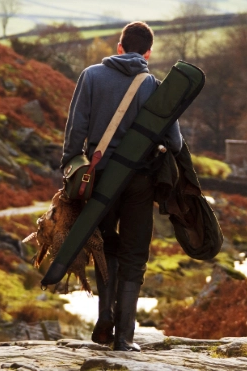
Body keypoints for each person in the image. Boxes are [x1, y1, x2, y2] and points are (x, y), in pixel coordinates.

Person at [60, 21, 182, 352]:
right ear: (148, 53)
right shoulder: (155, 86)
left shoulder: (90, 76)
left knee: (104, 247)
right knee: (134, 254)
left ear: (118, 47)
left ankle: (104, 319)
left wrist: (71, 170)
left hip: (99, 179)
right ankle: (125, 337)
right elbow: (175, 141)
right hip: (139, 181)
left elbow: (75, 131)